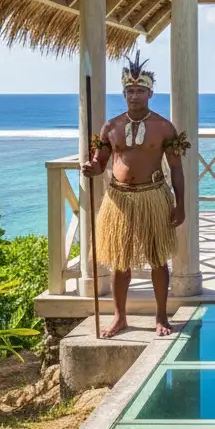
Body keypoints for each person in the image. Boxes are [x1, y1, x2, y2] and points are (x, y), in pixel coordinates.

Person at [81, 53, 189, 338]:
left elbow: (176, 169)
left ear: (151, 94)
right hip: (119, 199)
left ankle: (162, 315)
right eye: (130, 91)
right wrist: (92, 168)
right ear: (124, 93)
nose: (134, 96)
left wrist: (180, 203)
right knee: (119, 260)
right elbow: (101, 161)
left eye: (140, 91)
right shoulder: (111, 127)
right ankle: (120, 317)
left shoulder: (164, 127)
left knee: (157, 259)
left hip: (153, 196)